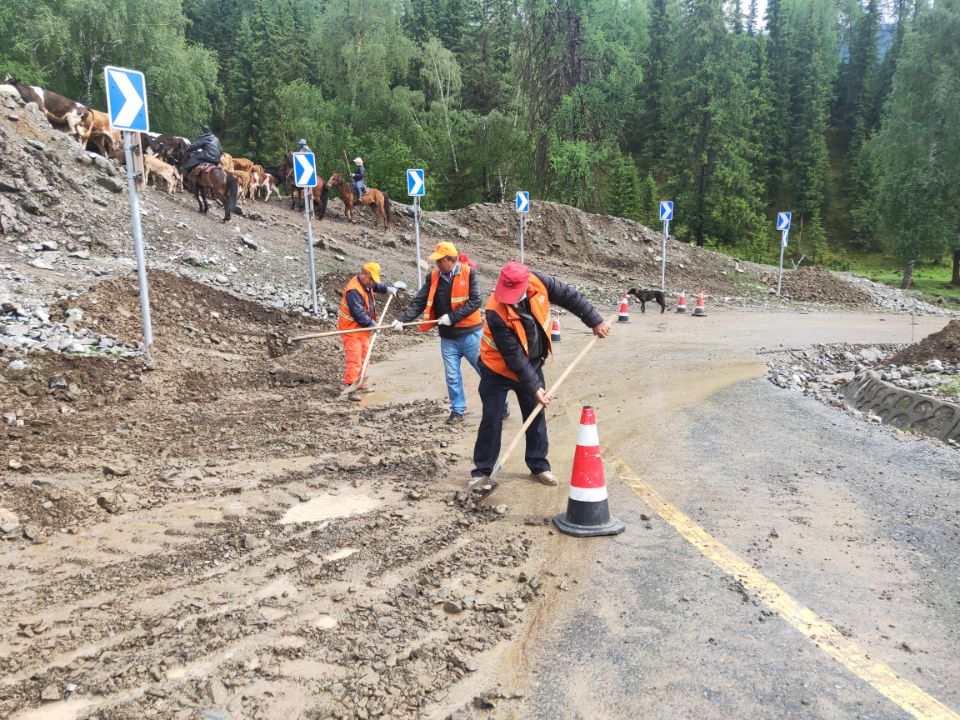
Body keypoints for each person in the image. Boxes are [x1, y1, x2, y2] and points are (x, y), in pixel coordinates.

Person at [471, 261, 610, 485]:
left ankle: (538, 466)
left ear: (525, 284)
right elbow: (514, 356)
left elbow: (570, 297)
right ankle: (482, 471)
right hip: (496, 369)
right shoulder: (495, 311)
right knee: (492, 418)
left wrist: (594, 320)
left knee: (535, 415)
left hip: (532, 363)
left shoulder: (540, 282)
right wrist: (535, 387)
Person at [391, 242, 482, 424]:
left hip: (471, 334)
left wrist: (452, 317)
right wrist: (402, 319)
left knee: (485, 372)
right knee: (452, 376)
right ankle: (457, 410)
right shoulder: (432, 277)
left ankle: (500, 405)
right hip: (448, 338)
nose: (438, 264)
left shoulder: (469, 273)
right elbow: (419, 302)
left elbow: (476, 301)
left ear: (452, 260)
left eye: (441, 261)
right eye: (437, 261)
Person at [338, 262, 398, 401]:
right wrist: (372, 324)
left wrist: (386, 289)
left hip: (363, 329)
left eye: (373, 280)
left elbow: (376, 285)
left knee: (365, 356)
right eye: (370, 279)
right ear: (362, 274)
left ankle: (361, 384)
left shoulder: (367, 283)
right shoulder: (354, 290)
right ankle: (351, 388)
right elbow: (358, 313)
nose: (372, 283)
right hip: (351, 329)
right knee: (355, 359)